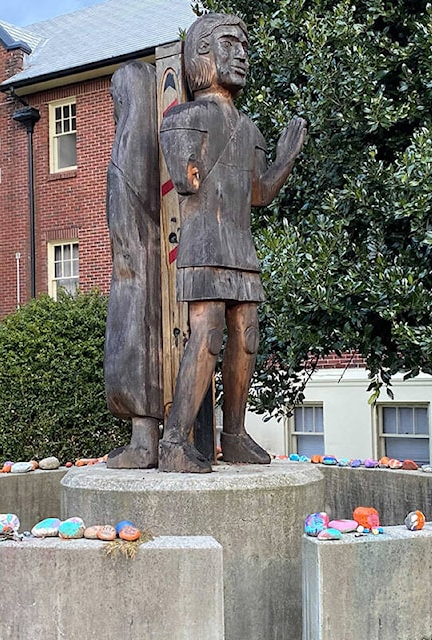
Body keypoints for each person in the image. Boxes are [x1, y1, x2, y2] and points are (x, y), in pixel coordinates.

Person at [158, 13, 307, 473]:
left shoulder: (251, 130)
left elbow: (259, 194)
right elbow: (186, 180)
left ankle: (235, 433)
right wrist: (186, 161)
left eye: (245, 46)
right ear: (201, 52)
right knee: (207, 334)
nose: (241, 53)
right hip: (204, 243)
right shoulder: (184, 117)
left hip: (241, 246)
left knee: (247, 338)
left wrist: (285, 158)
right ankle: (174, 440)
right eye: (229, 44)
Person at [103, 61, 164, 469]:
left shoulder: (127, 152)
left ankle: (143, 441)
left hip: (134, 276)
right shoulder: (158, 148)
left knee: (130, 343)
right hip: (156, 273)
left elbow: (121, 227)